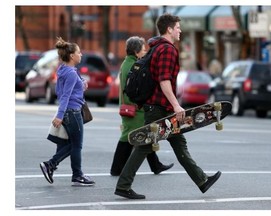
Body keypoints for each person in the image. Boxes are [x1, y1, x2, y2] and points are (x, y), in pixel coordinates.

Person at [114, 13, 221, 199]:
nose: (180, 30)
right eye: (178, 27)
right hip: (159, 107)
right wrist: (177, 106)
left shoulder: (155, 48)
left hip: (159, 106)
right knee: (145, 146)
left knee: (179, 144)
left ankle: (202, 180)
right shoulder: (168, 50)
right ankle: (123, 186)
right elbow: (164, 81)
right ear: (169, 29)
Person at [110, 36, 174, 176]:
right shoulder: (133, 65)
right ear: (136, 51)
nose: (145, 52)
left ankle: (155, 165)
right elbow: (132, 90)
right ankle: (116, 168)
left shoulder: (127, 63)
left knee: (144, 136)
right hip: (134, 109)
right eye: (143, 49)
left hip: (130, 107)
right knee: (129, 137)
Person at [39, 37, 95, 186]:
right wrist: (59, 115)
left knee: (71, 144)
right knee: (77, 145)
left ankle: (55, 166)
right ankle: (69, 172)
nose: (81, 54)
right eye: (79, 52)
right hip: (73, 112)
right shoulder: (70, 73)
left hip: (70, 111)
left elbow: (61, 90)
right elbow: (65, 95)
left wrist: (81, 84)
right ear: (72, 56)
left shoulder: (64, 70)